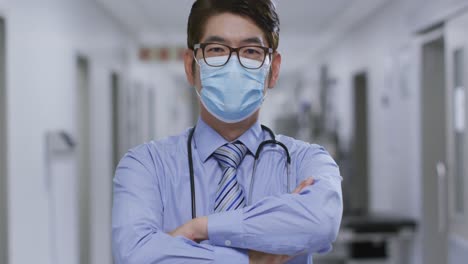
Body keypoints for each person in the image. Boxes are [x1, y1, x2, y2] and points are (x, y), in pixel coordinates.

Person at [112, 0, 343, 263]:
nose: (234, 64)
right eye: (217, 50)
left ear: (274, 69)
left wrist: (202, 228)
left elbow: (322, 221)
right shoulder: (146, 165)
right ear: (190, 66)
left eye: (251, 51)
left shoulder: (305, 161)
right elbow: (136, 256)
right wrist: (251, 259)